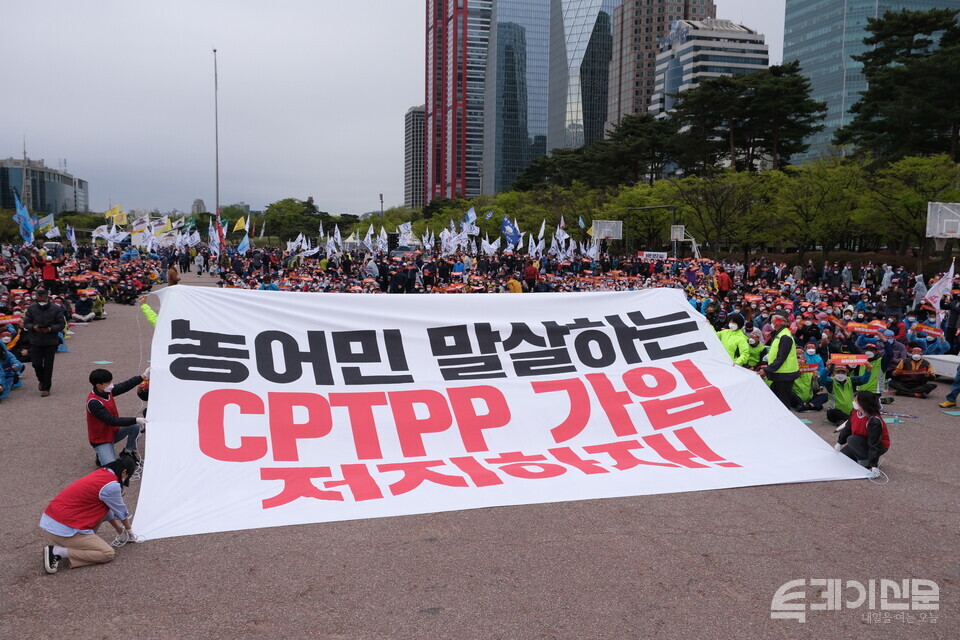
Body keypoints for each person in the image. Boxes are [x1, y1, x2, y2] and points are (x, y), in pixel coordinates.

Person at [40, 454, 142, 574]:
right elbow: (121, 512)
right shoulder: (111, 486)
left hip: (53, 521)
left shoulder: (102, 473)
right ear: (124, 472)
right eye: (127, 476)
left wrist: (120, 530)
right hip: (62, 530)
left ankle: (77, 547)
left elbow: (107, 511)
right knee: (107, 553)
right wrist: (129, 531)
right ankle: (57, 552)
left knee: (99, 512)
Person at [87, 368, 148, 466]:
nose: (111, 384)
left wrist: (143, 376)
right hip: (101, 439)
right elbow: (112, 421)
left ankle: (128, 452)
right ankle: (100, 454)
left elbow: (125, 385)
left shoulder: (106, 391)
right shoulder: (94, 402)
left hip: (113, 432)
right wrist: (136, 419)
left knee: (135, 426)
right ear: (99, 385)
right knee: (112, 468)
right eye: (108, 383)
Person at [835, 391, 889, 476]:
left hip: (878, 445)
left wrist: (873, 465)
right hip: (860, 441)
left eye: (856, 400)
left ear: (863, 403)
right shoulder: (854, 412)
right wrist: (840, 442)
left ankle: (866, 463)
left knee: (852, 439)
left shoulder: (874, 421)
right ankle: (862, 456)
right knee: (843, 457)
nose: (854, 402)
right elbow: (848, 428)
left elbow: (874, 444)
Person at [23, 289, 64, 397]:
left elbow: (61, 324)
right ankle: (41, 379)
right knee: (36, 363)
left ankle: (46, 388)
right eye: (38, 299)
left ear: (47, 298)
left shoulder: (56, 309)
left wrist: (50, 329)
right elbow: (26, 323)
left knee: (48, 365)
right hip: (35, 340)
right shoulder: (31, 308)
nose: (41, 301)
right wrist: (33, 327)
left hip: (50, 340)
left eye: (43, 299)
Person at [760, 314, 799, 407]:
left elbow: (781, 358)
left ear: (778, 323)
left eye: (773, 322)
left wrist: (767, 370)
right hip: (780, 374)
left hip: (785, 375)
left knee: (783, 403)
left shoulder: (785, 337)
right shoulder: (779, 334)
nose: (771, 324)